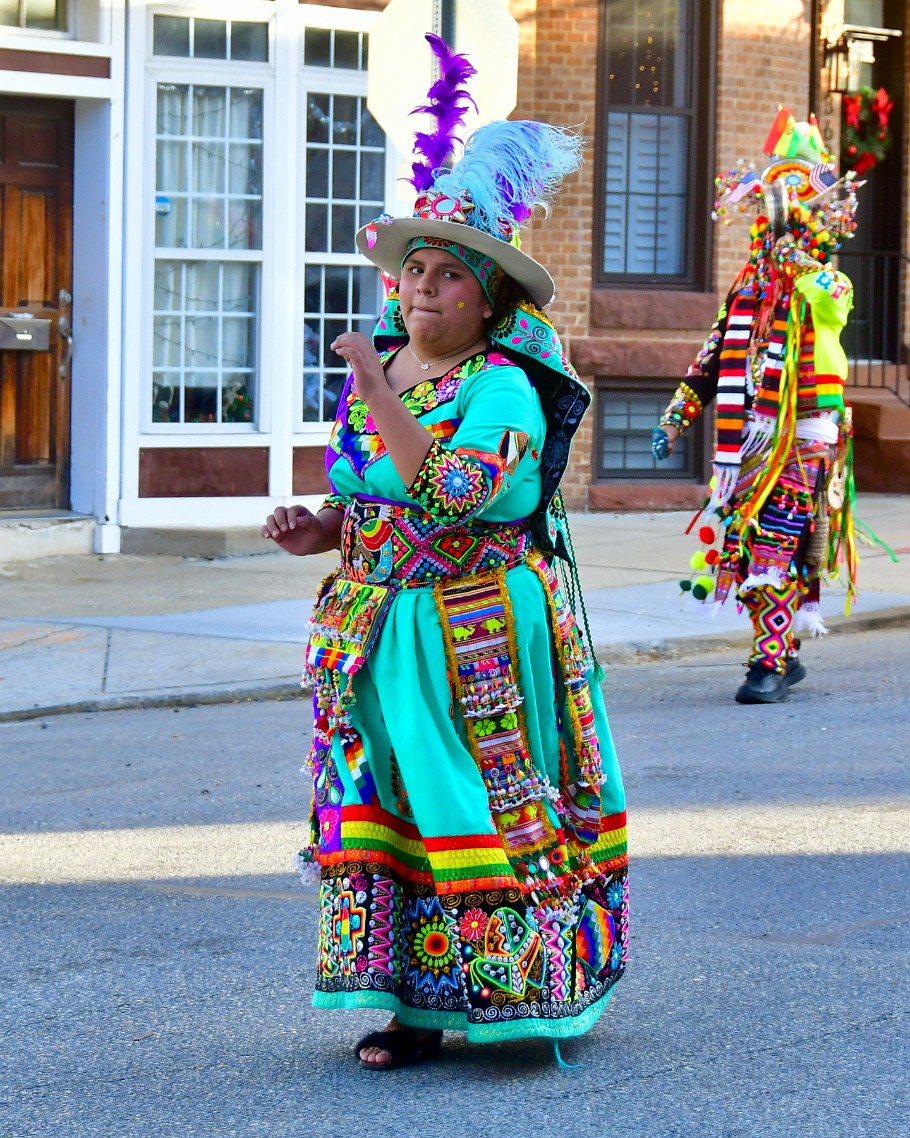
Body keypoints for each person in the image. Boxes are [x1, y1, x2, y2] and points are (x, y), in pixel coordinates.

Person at [262, 36, 627, 1070]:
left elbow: (458, 492)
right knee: (380, 799)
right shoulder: (383, 370)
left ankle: (514, 997)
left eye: (447, 277)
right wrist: (320, 530)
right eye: (412, 270)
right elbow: (367, 494)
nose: (421, 290)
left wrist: (376, 388)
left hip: (467, 622)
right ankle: (411, 1006)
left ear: (488, 301)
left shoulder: (498, 388)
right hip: (373, 620)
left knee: (468, 795)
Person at [652, 108, 862, 705]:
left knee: (774, 542)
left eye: (787, 234)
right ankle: (784, 654)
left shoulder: (828, 284)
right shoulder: (744, 295)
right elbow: (711, 358)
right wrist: (675, 417)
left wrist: (802, 268)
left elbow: (831, 306)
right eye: (769, 237)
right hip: (747, 443)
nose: (775, 245)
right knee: (746, 553)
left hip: (806, 436)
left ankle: (765, 666)